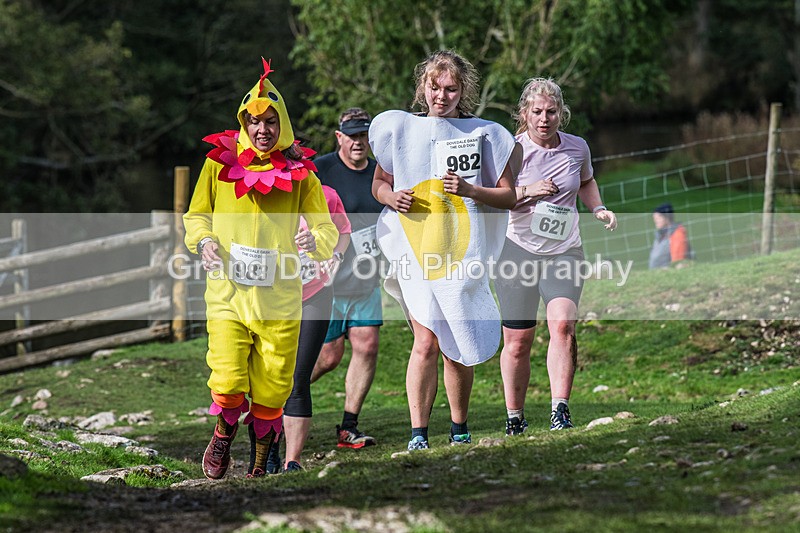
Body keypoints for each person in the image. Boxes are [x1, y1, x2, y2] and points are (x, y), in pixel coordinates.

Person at [183, 58, 338, 479]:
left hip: (280, 298)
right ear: (243, 124)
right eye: (254, 122)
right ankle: (223, 431)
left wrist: (315, 241)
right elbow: (197, 215)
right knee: (229, 380)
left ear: (282, 124)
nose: (262, 130)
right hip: (228, 294)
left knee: (272, 391)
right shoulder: (219, 164)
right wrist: (206, 240)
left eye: (271, 121)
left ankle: (258, 468)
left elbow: (326, 227)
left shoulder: (301, 174)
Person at [370, 50, 520, 450]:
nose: (442, 96)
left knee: (456, 342)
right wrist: (391, 197)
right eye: (434, 87)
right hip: (414, 248)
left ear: (463, 90)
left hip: (461, 251)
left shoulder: (483, 133)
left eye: (451, 88)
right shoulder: (401, 131)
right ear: (423, 87)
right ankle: (418, 432)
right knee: (425, 340)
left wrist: (472, 190)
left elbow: (509, 196)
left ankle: (459, 426)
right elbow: (379, 183)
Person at [495, 77, 617, 436]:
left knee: (563, 325)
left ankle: (559, 410)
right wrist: (527, 192)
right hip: (517, 250)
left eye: (551, 112)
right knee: (518, 342)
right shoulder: (511, 150)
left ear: (561, 113)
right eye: (537, 112)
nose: (544, 118)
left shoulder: (577, 147)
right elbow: (493, 196)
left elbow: (586, 182)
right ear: (524, 114)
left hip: (564, 250)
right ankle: (514, 415)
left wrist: (598, 209)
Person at [310, 108, 385, 449]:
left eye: (364, 135)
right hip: (326, 281)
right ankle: (275, 402)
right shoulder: (320, 170)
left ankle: (348, 426)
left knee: (367, 345)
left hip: (366, 278)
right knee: (328, 356)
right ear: (339, 137)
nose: (358, 142)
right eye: (352, 135)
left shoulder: (381, 174)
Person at [267, 185, 352, 473]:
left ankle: (293, 460)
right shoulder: (263, 195)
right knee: (272, 377)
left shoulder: (325, 195)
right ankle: (268, 452)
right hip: (273, 297)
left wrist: (335, 256)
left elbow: (343, 231)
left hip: (314, 294)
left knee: (299, 376)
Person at [649, 202, 692, 269]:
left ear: (667, 217)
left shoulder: (677, 235)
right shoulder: (661, 236)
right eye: (654, 218)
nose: (655, 221)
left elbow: (678, 264)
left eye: (658, 218)